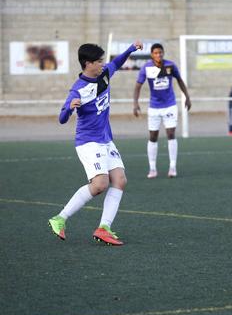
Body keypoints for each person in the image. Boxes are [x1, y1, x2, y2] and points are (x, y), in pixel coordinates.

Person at [48, 40, 143, 246]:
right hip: (89, 142)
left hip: (106, 140)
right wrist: (68, 109)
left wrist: (130, 49)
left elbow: (116, 62)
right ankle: (60, 218)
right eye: (99, 61)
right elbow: (62, 119)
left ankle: (103, 228)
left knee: (120, 180)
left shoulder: (105, 74)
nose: (103, 64)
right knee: (100, 184)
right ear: (87, 63)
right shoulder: (78, 90)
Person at [133, 43, 191, 178]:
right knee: (153, 137)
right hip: (154, 107)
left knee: (171, 134)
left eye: (160, 52)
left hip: (170, 105)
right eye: (156, 53)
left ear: (163, 53)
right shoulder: (146, 68)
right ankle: (152, 168)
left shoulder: (170, 66)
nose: (158, 55)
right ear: (152, 55)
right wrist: (135, 103)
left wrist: (187, 97)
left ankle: (172, 167)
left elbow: (180, 81)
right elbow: (137, 86)